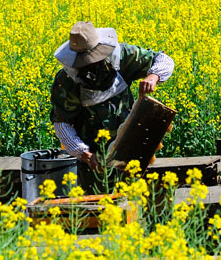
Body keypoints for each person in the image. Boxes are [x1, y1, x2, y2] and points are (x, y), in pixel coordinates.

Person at [50, 22, 174, 181]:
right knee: (98, 195)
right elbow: (62, 123)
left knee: (134, 192)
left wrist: (153, 77)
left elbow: (163, 59)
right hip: (94, 161)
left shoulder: (122, 56)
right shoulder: (66, 81)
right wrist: (84, 154)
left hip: (132, 147)